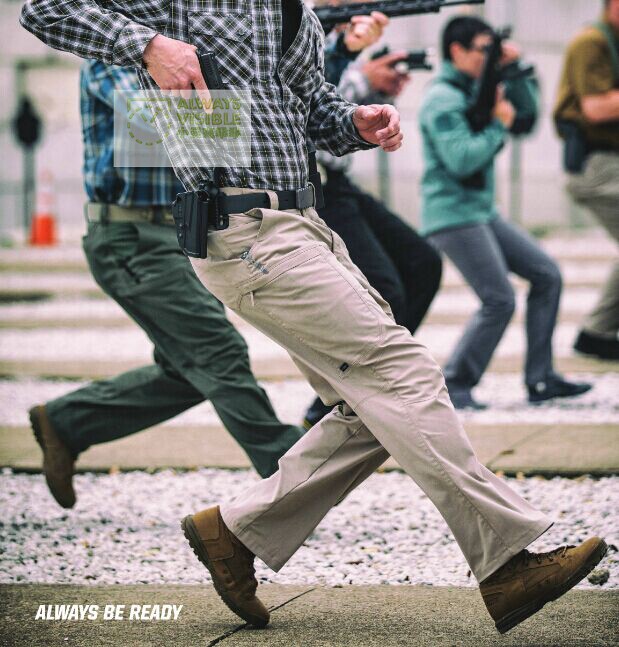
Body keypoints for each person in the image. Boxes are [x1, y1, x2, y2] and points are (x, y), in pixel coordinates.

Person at [21, 0, 607, 635]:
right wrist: (147, 46)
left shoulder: (291, 15)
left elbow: (313, 112)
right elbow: (45, 10)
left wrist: (356, 121)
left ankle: (235, 532)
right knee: (403, 373)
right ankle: (507, 563)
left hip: (304, 222)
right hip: (244, 231)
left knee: (375, 406)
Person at [28, 59, 305, 509]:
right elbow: (150, 116)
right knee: (218, 352)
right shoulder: (111, 57)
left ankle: (68, 422)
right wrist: (250, 103)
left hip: (179, 232)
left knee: (191, 370)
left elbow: (227, 122)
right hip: (131, 235)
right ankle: (295, 473)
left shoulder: (185, 51)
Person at [419, 16, 592, 410]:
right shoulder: (441, 99)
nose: (489, 57)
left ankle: (541, 379)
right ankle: (455, 382)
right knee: (499, 299)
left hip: (480, 210)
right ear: (456, 51)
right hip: (452, 215)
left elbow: (525, 120)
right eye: (483, 50)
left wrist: (515, 72)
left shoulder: (476, 87)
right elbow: (462, 159)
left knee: (547, 275)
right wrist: (498, 125)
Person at [304, 15, 443, 428]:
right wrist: (360, 72)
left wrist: (373, 90)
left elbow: (333, 109)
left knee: (423, 264)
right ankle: (343, 403)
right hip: (311, 184)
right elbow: (300, 100)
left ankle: (366, 391)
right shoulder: (294, 21)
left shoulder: (335, 35)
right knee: (384, 290)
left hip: (337, 179)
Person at [555, 0, 619, 361]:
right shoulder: (591, 42)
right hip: (596, 163)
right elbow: (596, 107)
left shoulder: (610, 41)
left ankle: (597, 332)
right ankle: (597, 331)